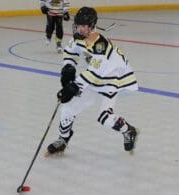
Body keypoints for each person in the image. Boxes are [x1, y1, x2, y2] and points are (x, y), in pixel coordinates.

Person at [46, 7, 139, 156]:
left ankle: (128, 130)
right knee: (67, 108)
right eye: (78, 25)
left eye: (83, 26)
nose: (80, 29)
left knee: (105, 118)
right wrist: (68, 69)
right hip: (92, 81)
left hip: (109, 81)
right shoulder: (78, 38)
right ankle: (63, 139)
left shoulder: (101, 46)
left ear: (91, 25)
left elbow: (94, 72)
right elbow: (70, 52)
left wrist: (74, 87)